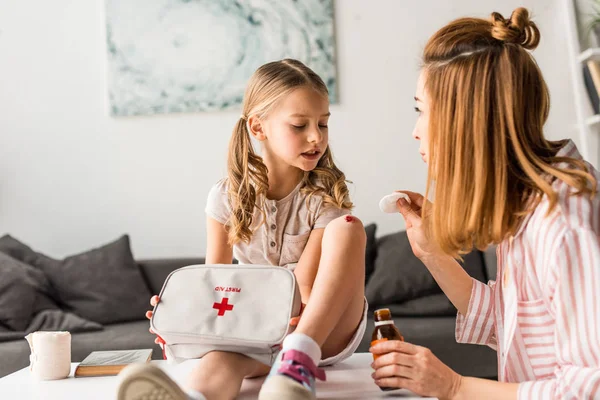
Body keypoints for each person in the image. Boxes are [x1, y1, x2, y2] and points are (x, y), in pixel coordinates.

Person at [370, 7, 600, 400]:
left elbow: (589, 388)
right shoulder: (526, 204)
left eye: (421, 111)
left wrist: (454, 386)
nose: (415, 131)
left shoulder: (562, 225)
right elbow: (510, 323)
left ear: (466, 120)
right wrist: (432, 255)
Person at [116, 59, 368, 400]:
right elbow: (214, 280)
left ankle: (297, 363)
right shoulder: (224, 198)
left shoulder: (324, 199)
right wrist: (184, 316)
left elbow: (303, 293)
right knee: (221, 360)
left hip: (318, 328)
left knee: (348, 228)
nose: (316, 137)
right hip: (259, 328)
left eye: (322, 124)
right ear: (258, 127)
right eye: (299, 125)